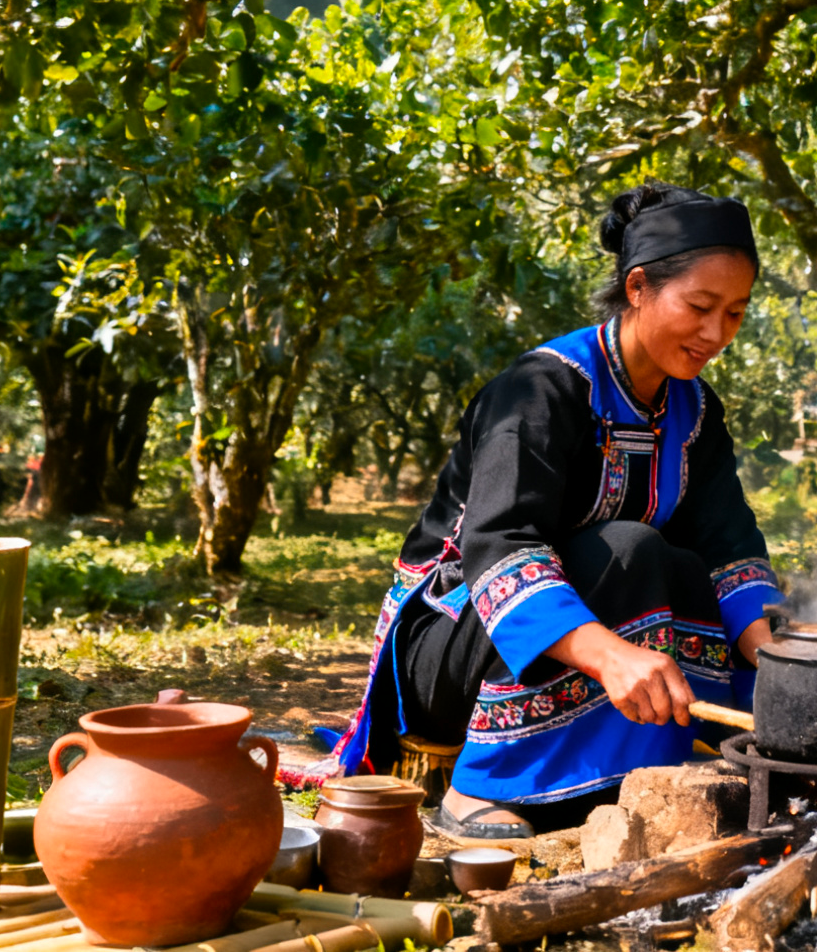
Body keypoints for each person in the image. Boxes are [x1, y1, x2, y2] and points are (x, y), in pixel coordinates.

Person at [333, 184, 785, 841]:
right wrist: (610, 656)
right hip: (458, 646)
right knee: (631, 550)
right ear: (637, 287)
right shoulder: (540, 390)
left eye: (736, 313)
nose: (717, 333)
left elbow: (729, 547)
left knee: (688, 570)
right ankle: (481, 784)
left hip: (598, 638)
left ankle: (640, 766)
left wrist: (784, 670)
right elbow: (501, 544)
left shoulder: (697, 412)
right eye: (700, 306)